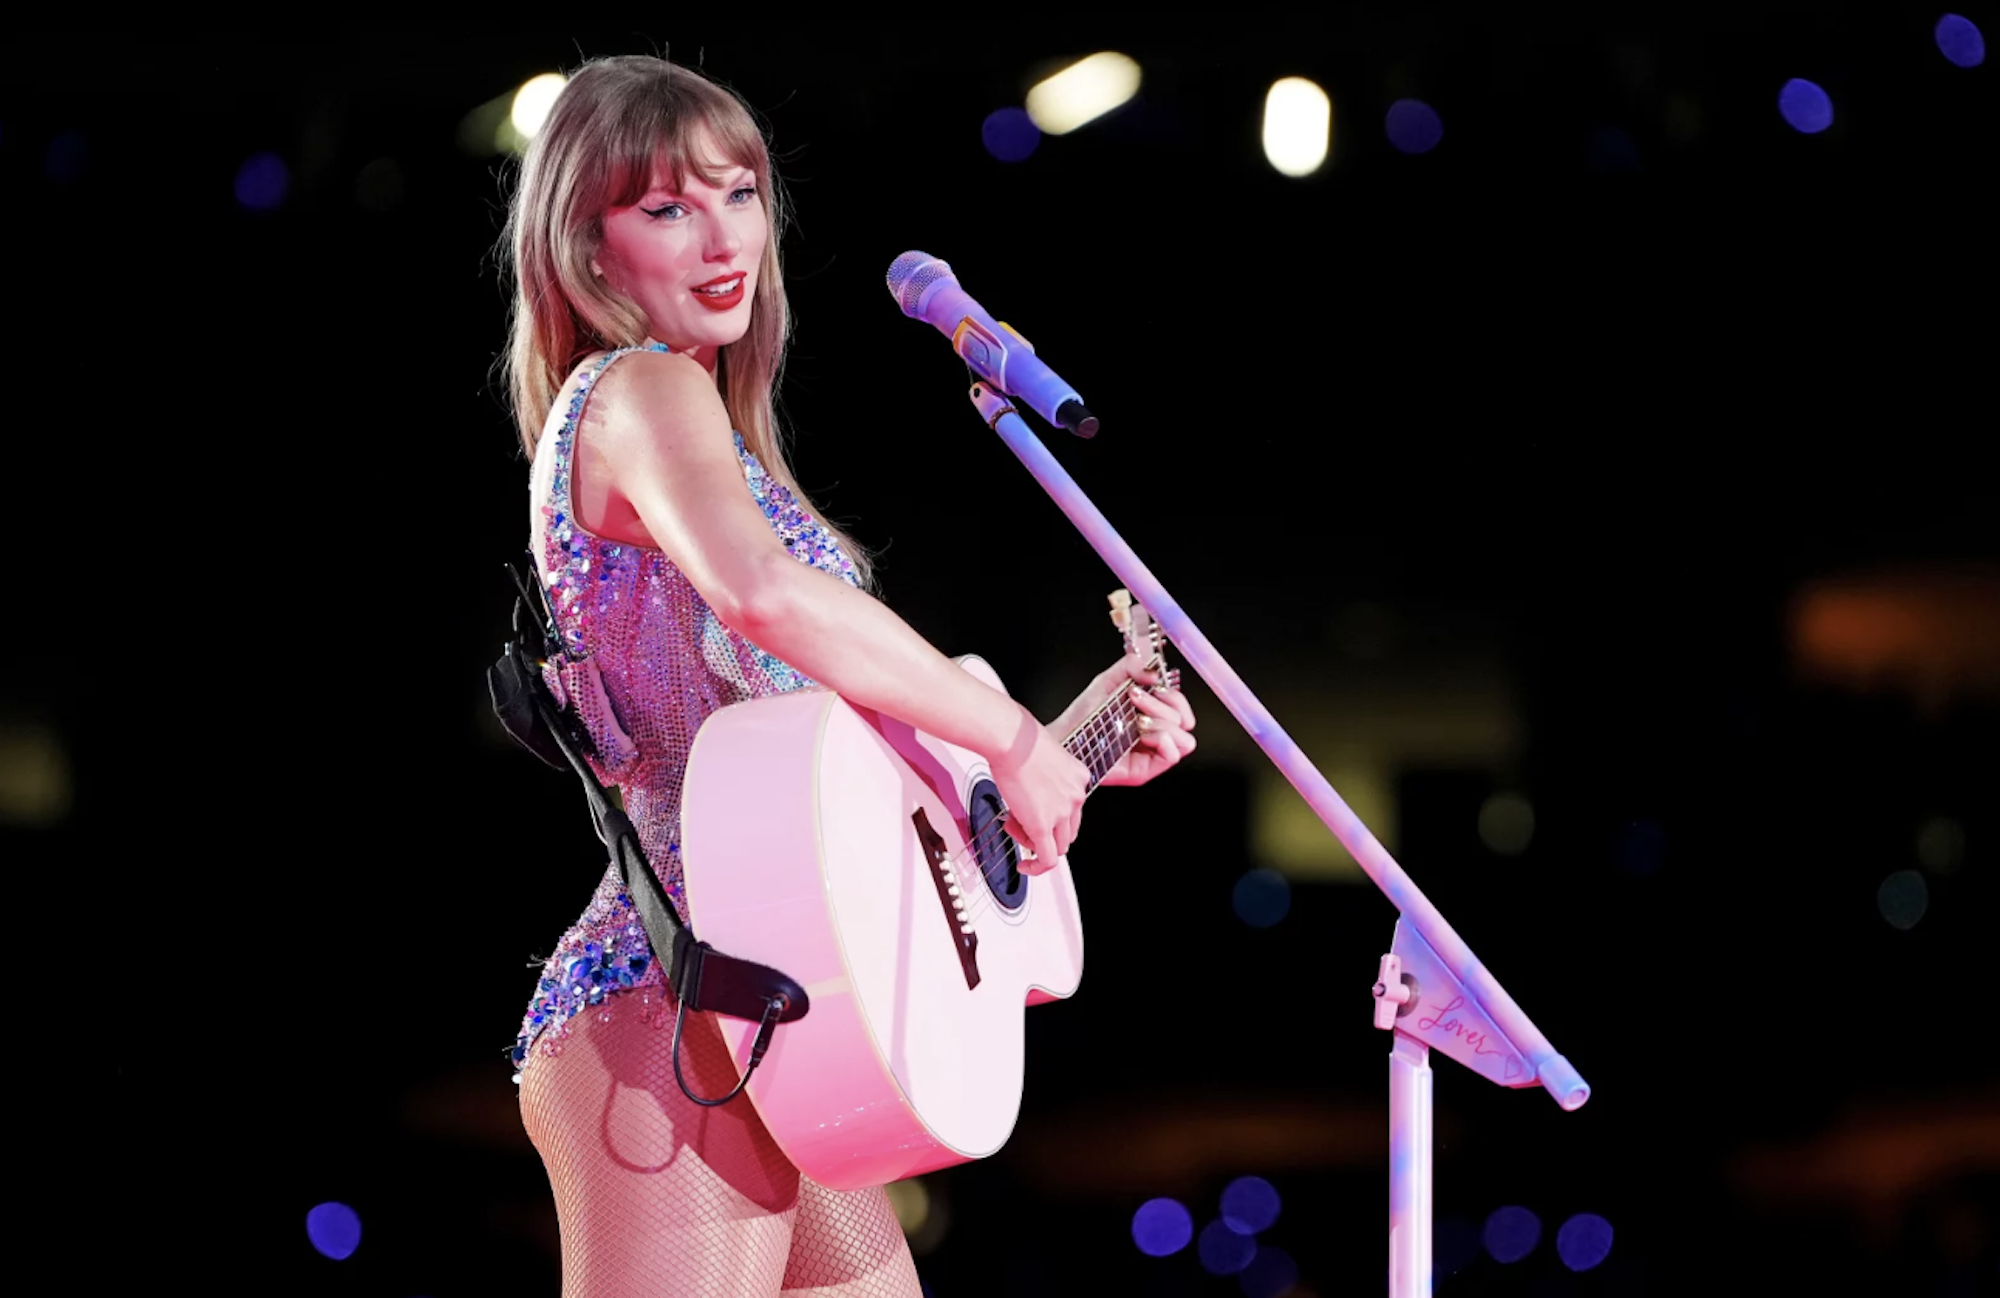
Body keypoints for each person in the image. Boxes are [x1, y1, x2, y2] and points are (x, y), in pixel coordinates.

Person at [499, 54, 1197, 1296]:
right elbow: (765, 596)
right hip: (669, 1002)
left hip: (786, 1019)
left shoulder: (719, 441)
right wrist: (1003, 733)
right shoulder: (637, 389)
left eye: (741, 193)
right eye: (667, 207)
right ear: (588, 251)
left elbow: (833, 797)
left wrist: (1050, 745)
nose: (722, 238)